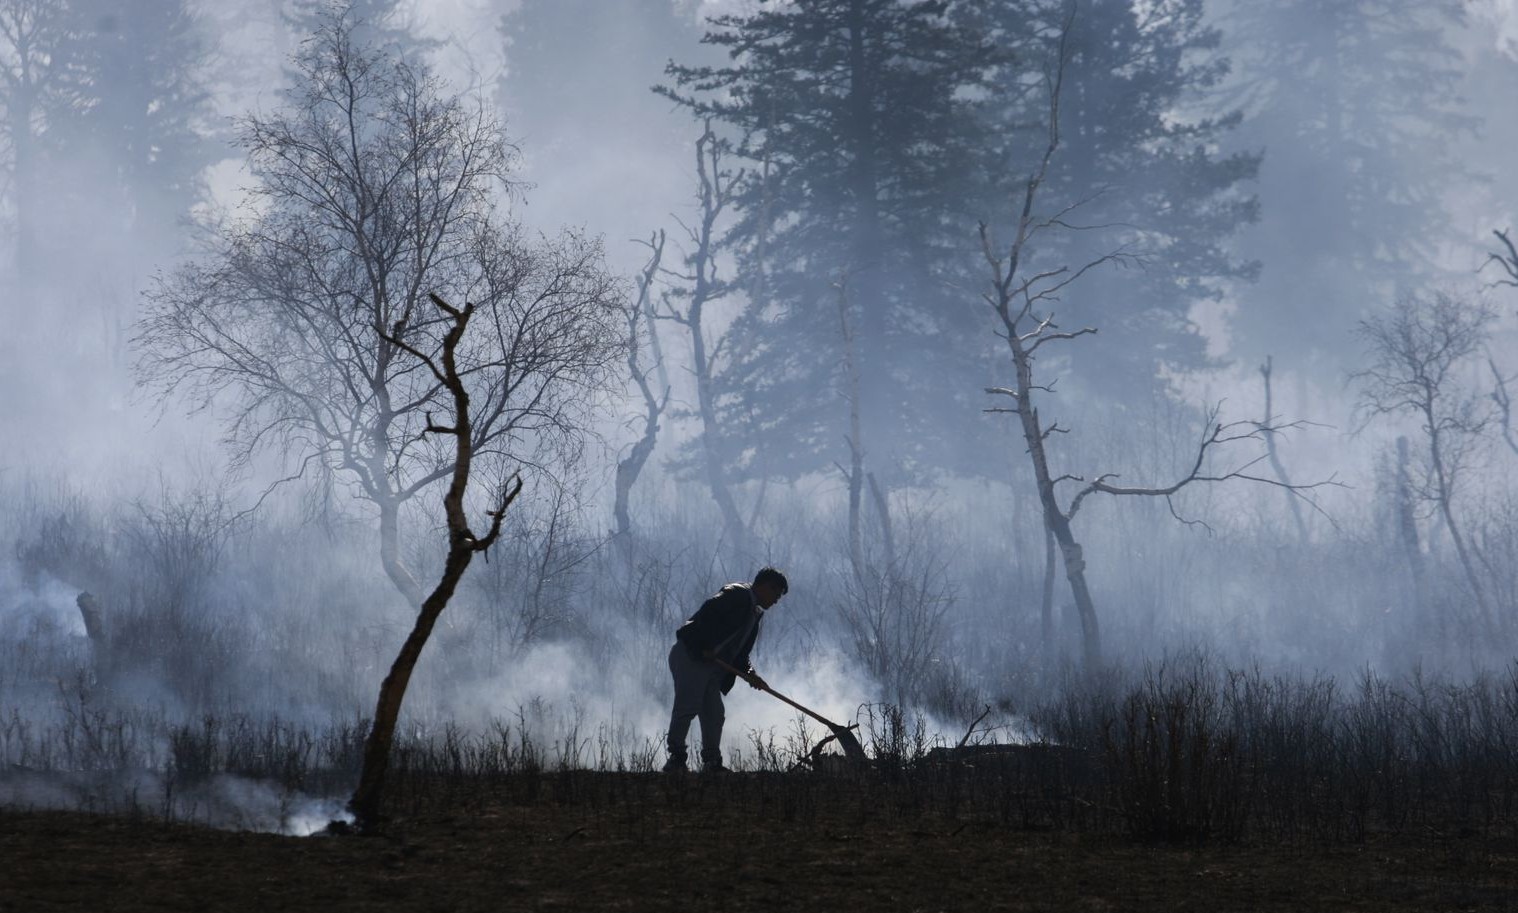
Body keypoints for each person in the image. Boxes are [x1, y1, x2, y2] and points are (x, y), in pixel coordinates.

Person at [663, 566, 788, 773]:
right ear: (766, 586)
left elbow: (739, 655)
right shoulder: (736, 594)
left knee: (714, 713)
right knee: (688, 706)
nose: (775, 601)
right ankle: (676, 758)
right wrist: (704, 645)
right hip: (691, 656)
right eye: (776, 594)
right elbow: (707, 614)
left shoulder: (753, 614)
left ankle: (711, 762)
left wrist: (751, 674)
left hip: (710, 666)